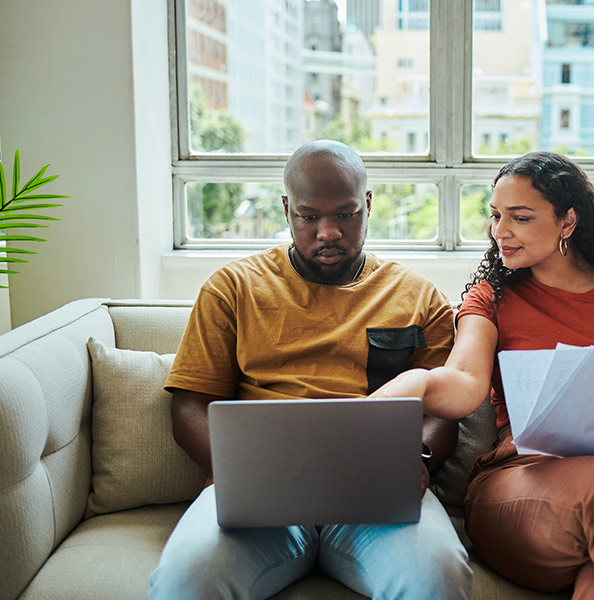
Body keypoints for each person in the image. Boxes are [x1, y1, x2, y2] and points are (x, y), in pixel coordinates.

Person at [372, 151, 594, 599]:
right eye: (495, 216)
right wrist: (415, 385)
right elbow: (465, 381)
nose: (499, 231)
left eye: (520, 218)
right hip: (521, 486)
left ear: (568, 222)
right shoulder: (491, 298)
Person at [149, 140, 472, 600]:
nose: (328, 232)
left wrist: (416, 459)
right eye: (309, 216)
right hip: (260, 501)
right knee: (188, 577)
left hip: (376, 500)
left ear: (368, 205)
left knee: (436, 575)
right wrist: (254, 474)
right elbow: (189, 407)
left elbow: (443, 413)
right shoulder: (233, 288)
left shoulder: (419, 298)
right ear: (286, 209)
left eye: (345, 214)